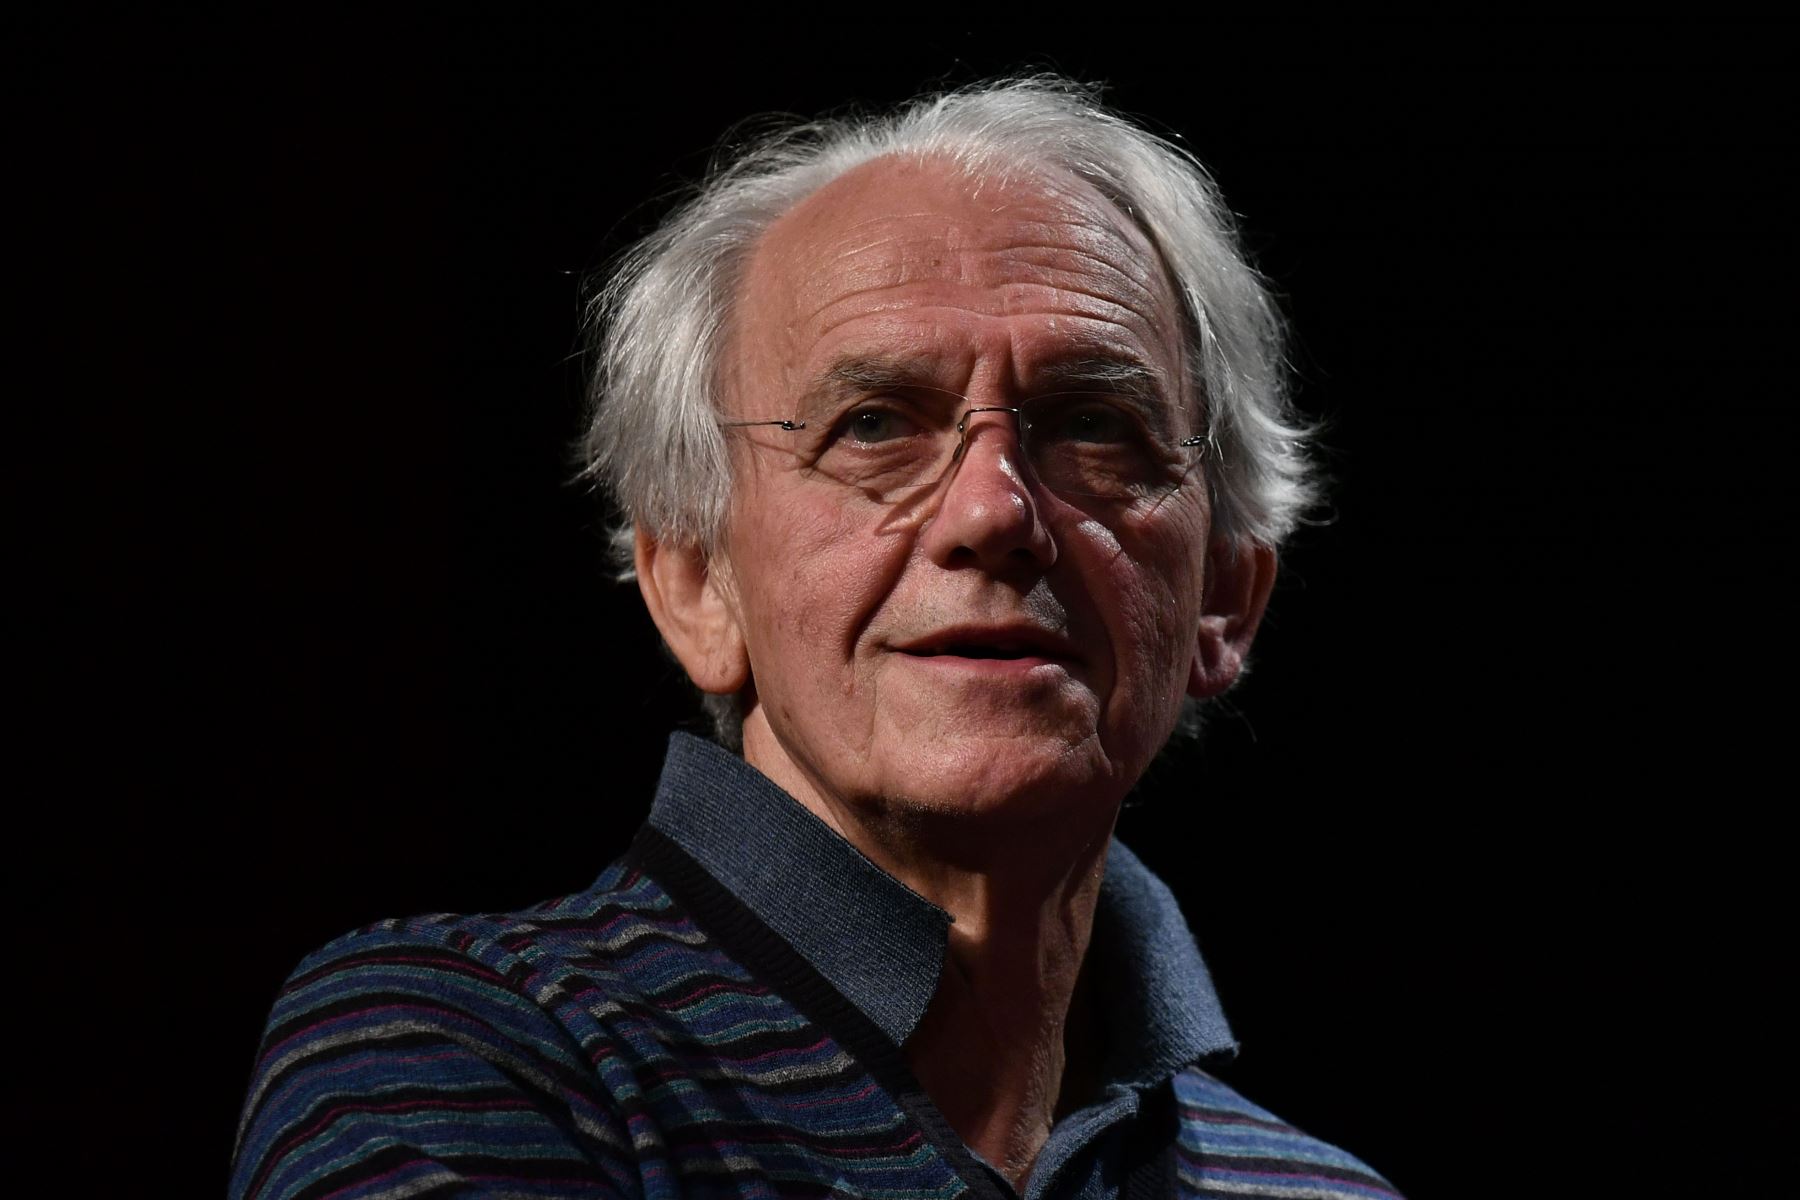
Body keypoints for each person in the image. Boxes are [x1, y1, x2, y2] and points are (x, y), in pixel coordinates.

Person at [231, 77, 1402, 1199]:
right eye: (876, 424)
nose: (995, 512)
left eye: (1093, 425)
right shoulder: (460, 1054)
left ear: (1224, 601)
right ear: (694, 583)